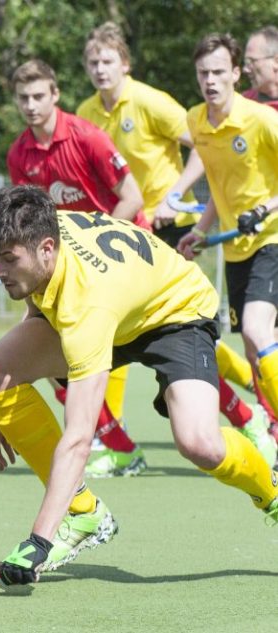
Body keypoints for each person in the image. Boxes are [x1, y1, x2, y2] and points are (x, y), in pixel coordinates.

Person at [0, 185, 278, 586]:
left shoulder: (87, 304)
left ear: (46, 249)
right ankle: (83, 513)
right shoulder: (43, 234)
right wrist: (10, 403)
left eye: (9, 260)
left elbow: (79, 439)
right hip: (120, 307)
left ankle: (272, 494)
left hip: (175, 314)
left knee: (200, 444)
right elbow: (38, 300)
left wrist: (39, 541)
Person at [76, 23, 276, 468]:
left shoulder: (158, 103)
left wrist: (177, 196)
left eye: (108, 61)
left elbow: (204, 156)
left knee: (220, 332)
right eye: (92, 62)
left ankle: (255, 416)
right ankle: (252, 412)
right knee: (133, 328)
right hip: (144, 237)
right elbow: (215, 173)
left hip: (208, 233)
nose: (100, 69)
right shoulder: (96, 112)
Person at [7, 58, 148, 479]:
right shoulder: (19, 153)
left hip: (122, 258)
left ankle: (249, 418)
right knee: (49, 355)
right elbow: (26, 224)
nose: (31, 105)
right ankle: (119, 448)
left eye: (39, 96)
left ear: (55, 94)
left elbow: (133, 198)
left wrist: (92, 246)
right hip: (69, 269)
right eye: (23, 98)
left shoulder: (87, 137)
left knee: (169, 349)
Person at [178, 33, 278, 449]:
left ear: (237, 73)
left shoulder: (261, 119)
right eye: (203, 73)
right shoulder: (196, 121)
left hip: (272, 238)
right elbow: (219, 188)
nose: (210, 81)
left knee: (256, 328)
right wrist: (201, 231)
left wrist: (266, 209)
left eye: (219, 72)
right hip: (237, 248)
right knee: (254, 349)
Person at [243, 26, 278, 110]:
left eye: (252, 61)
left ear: (276, 61)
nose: (245, 69)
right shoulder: (244, 103)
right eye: (246, 62)